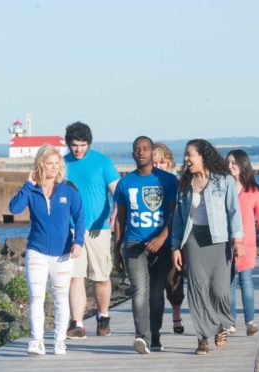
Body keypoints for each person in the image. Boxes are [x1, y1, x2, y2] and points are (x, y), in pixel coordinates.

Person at [8, 144, 84, 355]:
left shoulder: (69, 190)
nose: (52, 168)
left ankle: (59, 340)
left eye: (56, 164)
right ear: (40, 164)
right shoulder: (31, 190)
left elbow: (80, 218)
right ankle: (36, 341)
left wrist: (78, 242)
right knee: (36, 297)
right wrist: (28, 183)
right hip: (36, 251)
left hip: (63, 253)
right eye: (48, 163)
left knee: (60, 298)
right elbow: (14, 208)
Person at [171, 139, 243, 355]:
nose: (186, 159)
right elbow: (178, 219)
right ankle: (202, 338)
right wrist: (176, 246)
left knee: (220, 291)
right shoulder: (184, 183)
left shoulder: (224, 181)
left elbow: (234, 212)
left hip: (219, 240)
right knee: (197, 291)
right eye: (186, 155)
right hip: (192, 240)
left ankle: (221, 324)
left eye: (189, 154)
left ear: (202, 156)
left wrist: (238, 240)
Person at [113, 136, 177, 354]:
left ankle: (155, 335)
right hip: (134, 244)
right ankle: (142, 337)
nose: (141, 152)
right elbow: (120, 219)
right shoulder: (125, 183)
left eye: (145, 149)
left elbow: (174, 214)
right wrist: (117, 249)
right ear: (133, 154)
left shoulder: (167, 181)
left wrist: (162, 238)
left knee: (156, 294)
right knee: (139, 292)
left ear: (152, 153)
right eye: (137, 149)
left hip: (163, 246)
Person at [63, 122, 121, 339]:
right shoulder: (61, 164)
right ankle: (77, 323)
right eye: (74, 145)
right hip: (70, 229)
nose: (78, 149)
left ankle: (103, 316)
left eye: (82, 145)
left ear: (89, 144)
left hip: (99, 228)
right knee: (75, 277)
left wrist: (115, 212)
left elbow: (118, 192)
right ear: (68, 143)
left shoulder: (102, 162)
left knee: (101, 276)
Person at [226, 149, 259, 336]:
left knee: (246, 282)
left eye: (234, 162)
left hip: (246, 245)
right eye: (228, 162)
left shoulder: (254, 190)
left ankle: (250, 321)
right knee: (228, 284)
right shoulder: (224, 187)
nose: (230, 166)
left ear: (243, 164)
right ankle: (230, 322)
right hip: (225, 244)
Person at [153, 143, 185, 335]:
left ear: (169, 162)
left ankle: (176, 313)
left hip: (174, 239)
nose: (158, 166)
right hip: (151, 236)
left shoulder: (176, 181)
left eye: (162, 162)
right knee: (155, 283)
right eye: (155, 162)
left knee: (174, 281)